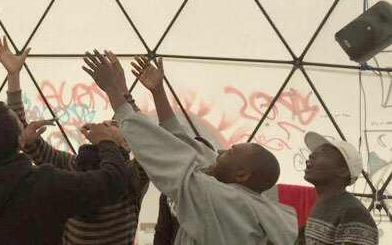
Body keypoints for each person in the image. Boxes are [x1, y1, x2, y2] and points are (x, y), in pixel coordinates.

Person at [82, 51, 299, 245]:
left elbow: (162, 149)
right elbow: (181, 142)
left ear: (242, 174)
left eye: (230, 153)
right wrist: (157, 92)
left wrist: (113, 90)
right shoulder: (242, 200)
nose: (220, 152)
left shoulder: (220, 200)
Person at [0, 34, 149, 244]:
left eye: (114, 124)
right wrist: (13, 76)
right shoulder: (73, 166)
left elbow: (147, 141)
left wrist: (121, 91)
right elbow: (23, 136)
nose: (105, 124)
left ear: (127, 144)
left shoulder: (130, 177)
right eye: (106, 122)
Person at [0, 98, 129, 244]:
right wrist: (106, 142)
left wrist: (13, 76)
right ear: (20, 141)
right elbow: (113, 182)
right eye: (20, 127)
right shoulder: (44, 185)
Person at [302, 132, 378, 244]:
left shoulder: (353, 213)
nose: (310, 156)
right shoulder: (322, 204)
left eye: (324, 154)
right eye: (313, 153)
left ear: (342, 171)